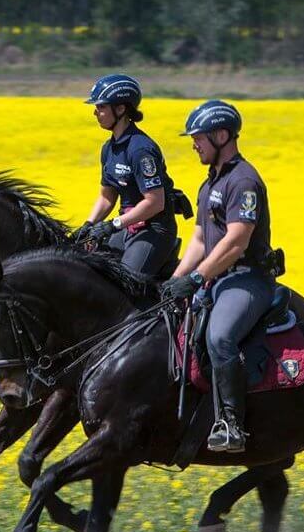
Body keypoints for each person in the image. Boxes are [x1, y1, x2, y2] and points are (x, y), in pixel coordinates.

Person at [161, 100, 276, 452]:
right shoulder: (210, 182)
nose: (194, 144)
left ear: (222, 135)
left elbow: (236, 241)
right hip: (217, 277)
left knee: (221, 335)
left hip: (247, 279)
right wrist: (174, 281)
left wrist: (197, 279)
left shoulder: (243, 181)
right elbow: (199, 239)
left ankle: (231, 424)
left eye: (198, 138)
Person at [71, 74, 178, 278]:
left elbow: (155, 203)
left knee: (124, 283)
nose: (95, 112)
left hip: (154, 230)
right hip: (127, 227)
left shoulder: (141, 150)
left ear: (120, 109)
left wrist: (113, 225)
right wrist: (88, 225)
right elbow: (106, 197)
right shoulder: (108, 149)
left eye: (101, 107)